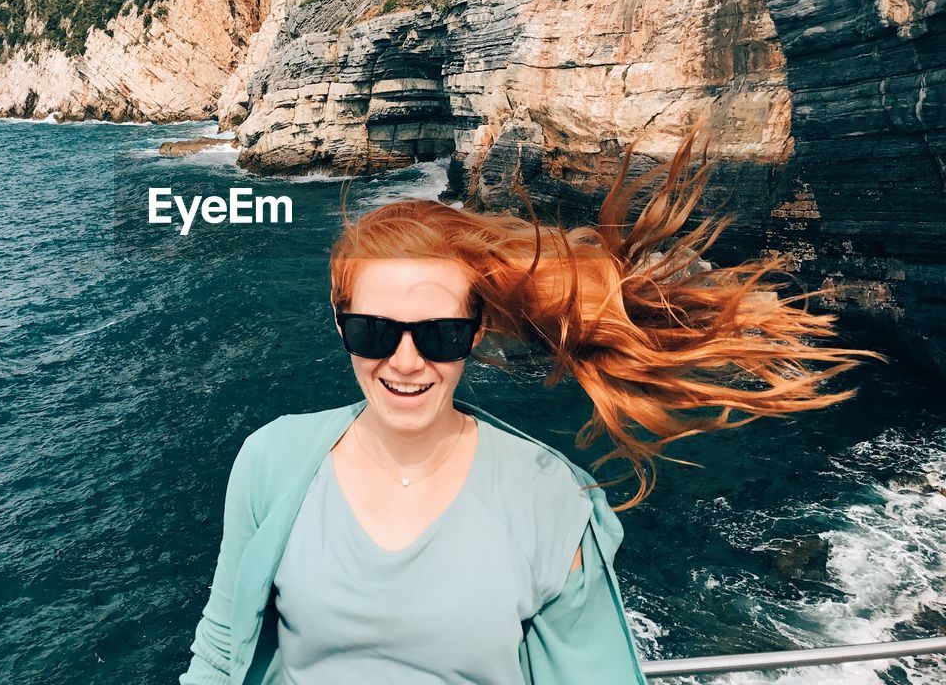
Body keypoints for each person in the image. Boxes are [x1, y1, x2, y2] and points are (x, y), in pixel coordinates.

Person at [179, 127, 883, 685]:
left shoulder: (547, 496)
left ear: (477, 331)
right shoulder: (272, 462)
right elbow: (218, 653)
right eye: (373, 331)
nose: (404, 360)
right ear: (340, 326)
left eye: (441, 335)